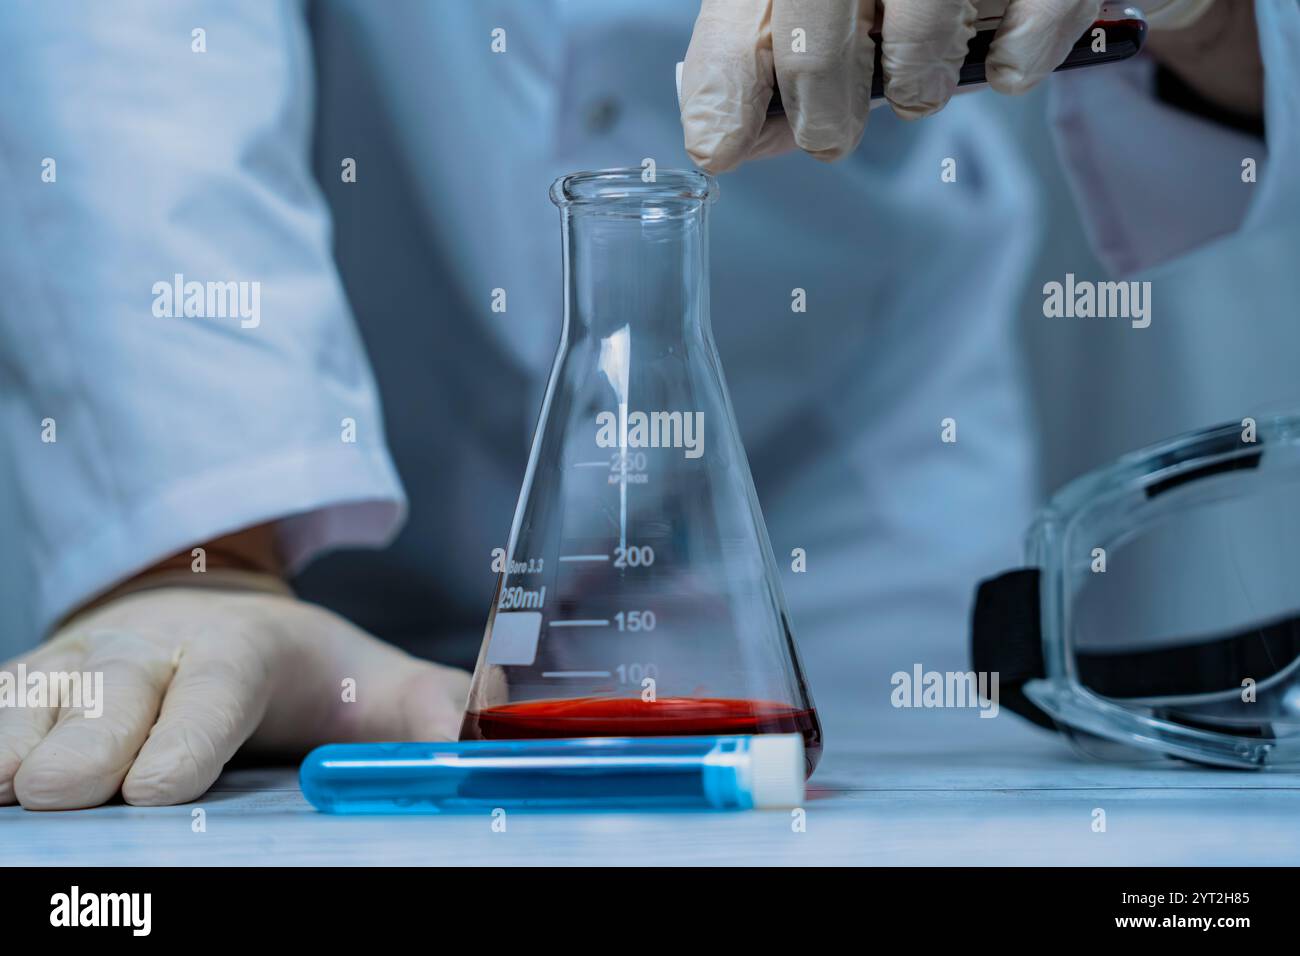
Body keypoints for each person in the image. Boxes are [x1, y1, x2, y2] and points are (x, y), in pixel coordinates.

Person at [0, 0, 1283, 809]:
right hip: (318, 425)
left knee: (899, 822)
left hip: (844, 439)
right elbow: (126, 40)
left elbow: (1210, 38)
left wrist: (1215, 21)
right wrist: (201, 549)